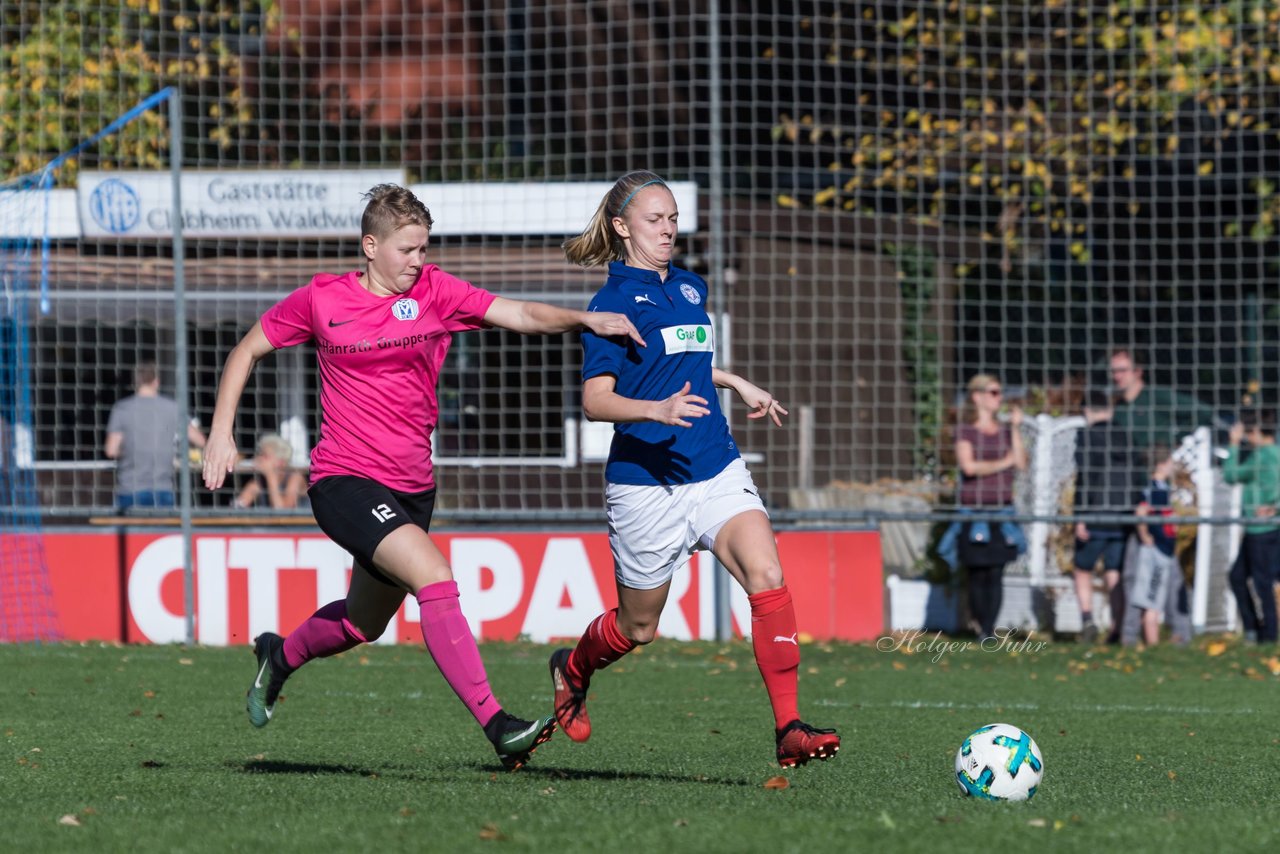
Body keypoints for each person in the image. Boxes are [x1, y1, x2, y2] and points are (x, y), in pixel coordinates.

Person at [201, 183, 644, 770]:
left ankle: (278, 658)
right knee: (435, 576)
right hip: (344, 481)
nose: (419, 260)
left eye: (423, 248)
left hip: (412, 487)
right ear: (370, 246)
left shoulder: (436, 291)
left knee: (363, 623)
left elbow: (517, 313)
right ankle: (498, 725)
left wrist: (583, 319)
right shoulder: (320, 300)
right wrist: (220, 432)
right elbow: (246, 351)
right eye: (408, 249)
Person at [547, 170, 840, 768]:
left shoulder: (689, 287)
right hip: (645, 483)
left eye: (674, 218)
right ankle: (571, 667)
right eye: (655, 220)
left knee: (766, 570)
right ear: (622, 227)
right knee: (638, 627)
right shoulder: (611, 303)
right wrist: (656, 410)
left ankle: (789, 729)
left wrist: (733, 381)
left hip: (711, 464)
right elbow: (596, 400)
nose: (668, 230)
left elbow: (679, 365)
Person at [943, 374, 1027, 641]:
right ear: (977, 396)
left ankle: (989, 629)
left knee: (996, 572)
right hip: (974, 513)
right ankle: (981, 627)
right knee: (977, 573)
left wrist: (1015, 429)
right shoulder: (966, 432)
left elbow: (1022, 463)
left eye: (999, 393)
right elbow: (968, 466)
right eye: (993, 392)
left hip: (1002, 512)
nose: (999, 398)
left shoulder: (1004, 431)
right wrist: (1004, 462)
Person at [1071, 389, 1138, 644]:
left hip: (1096, 512)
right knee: (1115, 572)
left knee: (1082, 569)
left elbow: (1086, 477)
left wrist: (1080, 516)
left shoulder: (1088, 436)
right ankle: (1116, 628)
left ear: (1087, 411)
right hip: (1123, 517)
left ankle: (1087, 619)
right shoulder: (1125, 436)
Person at [105, 361, 208, 511]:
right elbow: (200, 440)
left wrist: (131, 449)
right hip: (162, 487)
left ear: (135, 382)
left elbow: (111, 450)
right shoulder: (172, 408)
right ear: (156, 381)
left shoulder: (122, 408)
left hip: (129, 487)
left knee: (128, 533)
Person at [1223, 407, 1280, 644]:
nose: (1246, 437)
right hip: (1258, 529)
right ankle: (1254, 628)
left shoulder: (1264, 456)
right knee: (1238, 576)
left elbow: (1231, 474)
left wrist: (1233, 445)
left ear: (1256, 431)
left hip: (1262, 530)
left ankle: (1268, 635)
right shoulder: (1271, 453)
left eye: (1247, 433)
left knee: (1262, 583)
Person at [1127, 445, 1187, 646]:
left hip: (1165, 548)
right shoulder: (1154, 488)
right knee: (1151, 599)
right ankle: (1150, 644)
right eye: (1170, 462)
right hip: (1157, 551)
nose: (1172, 467)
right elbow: (1142, 512)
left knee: (1158, 596)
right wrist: (1145, 535)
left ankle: (1162, 639)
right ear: (1162, 464)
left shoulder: (1163, 488)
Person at [1108, 348, 1220, 451]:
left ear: (1138, 371)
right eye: (1114, 371)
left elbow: (1203, 411)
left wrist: (1173, 440)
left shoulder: (1156, 396)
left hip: (1158, 467)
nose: (1117, 376)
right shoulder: (1117, 406)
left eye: (1122, 370)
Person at [231, 432, 309, 510]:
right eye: (259, 454)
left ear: (280, 462)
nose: (259, 459)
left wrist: (270, 475)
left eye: (265, 456)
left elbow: (282, 511)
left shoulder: (295, 477)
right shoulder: (259, 482)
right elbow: (237, 507)